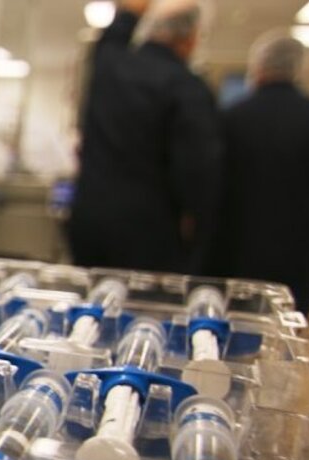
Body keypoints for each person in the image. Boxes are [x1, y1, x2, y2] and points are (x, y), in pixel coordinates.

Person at [69, 0, 221, 273]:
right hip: (149, 230)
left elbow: (116, 29)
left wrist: (134, 10)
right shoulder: (186, 86)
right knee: (144, 299)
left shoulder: (109, 63)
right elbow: (196, 169)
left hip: (89, 219)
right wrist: (197, 227)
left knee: (93, 294)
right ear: (191, 39)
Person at [214, 32, 309, 313]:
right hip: (298, 247)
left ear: (258, 67)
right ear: (297, 68)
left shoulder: (231, 117)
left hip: (238, 244)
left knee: (238, 320)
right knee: (288, 320)